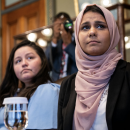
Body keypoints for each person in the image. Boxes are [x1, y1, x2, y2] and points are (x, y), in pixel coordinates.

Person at [58, 4, 130, 130]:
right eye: (85, 27)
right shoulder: (68, 85)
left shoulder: (127, 75)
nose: (92, 32)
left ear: (113, 32)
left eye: (100, 26)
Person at [0, 40, 60, 130]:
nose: (24, 63)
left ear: (42, 61)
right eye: (18, 61)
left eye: (30, 58)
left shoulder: (47, 90)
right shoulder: (13, 94)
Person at [45, 12, 78, 81]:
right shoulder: (56, 43)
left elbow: (81, 62)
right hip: (57, 82)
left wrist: (68, 43)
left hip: (74, 81)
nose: (61, 27)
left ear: (70, 24)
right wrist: (54, 39)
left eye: (63, 24)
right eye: (57, 25)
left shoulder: (78, 39)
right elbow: (47, 64)